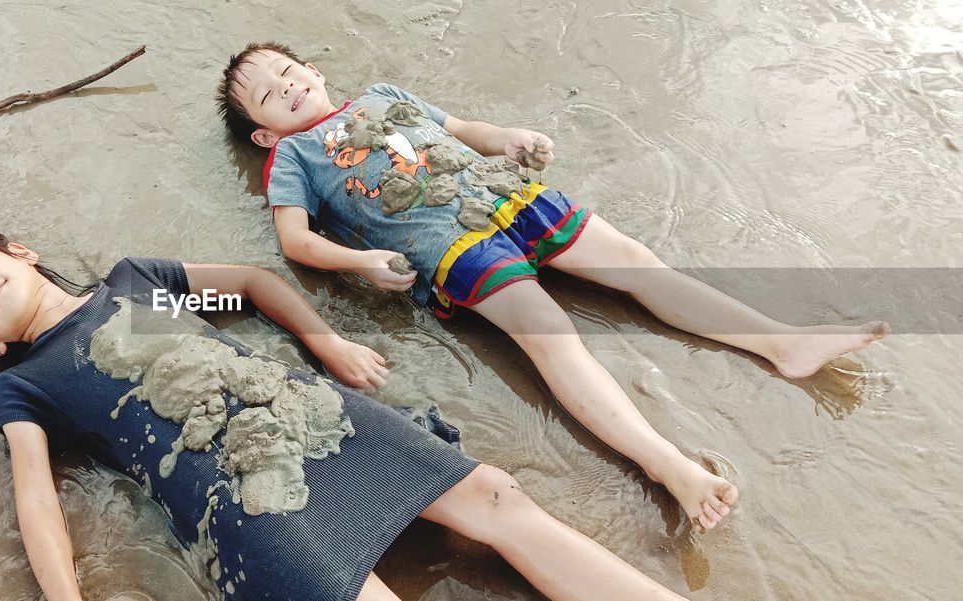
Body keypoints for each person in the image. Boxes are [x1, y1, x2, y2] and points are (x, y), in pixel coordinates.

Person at [214, 41, 890, 532]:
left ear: (314, 69)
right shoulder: (295, 157)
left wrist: (508, 138)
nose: (288, 86)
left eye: (287, 70)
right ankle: (669, 465)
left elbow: (457, 132)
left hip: (511, 197)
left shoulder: (385, 97)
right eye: (270, 95)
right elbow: (296, 241)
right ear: (267, 130)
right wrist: (361, 263)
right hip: (454, 248)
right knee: (552, 336)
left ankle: (781, 343)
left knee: (634, 260)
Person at [0, 233, 692, 601]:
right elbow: (37, 498)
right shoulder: (30, 388)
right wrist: (63, 596)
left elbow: (246, 285)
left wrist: (328, 341)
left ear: (17, 250)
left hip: (314, 417)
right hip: (237, 499)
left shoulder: (139, 283)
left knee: (497, 498)